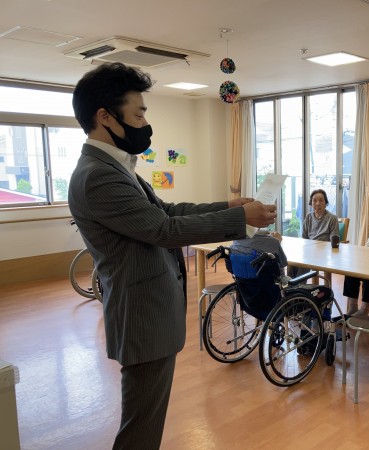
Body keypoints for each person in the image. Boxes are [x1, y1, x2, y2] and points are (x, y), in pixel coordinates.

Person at [68, 62, 276, 450]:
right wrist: (239, 219)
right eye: (139, 114)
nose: (146, 123)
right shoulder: (99, 175)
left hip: (150, 310)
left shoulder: (116, 167)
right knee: (141, 429)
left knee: (145, 421)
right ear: (104, 116)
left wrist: (229, 206)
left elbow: (166, 211)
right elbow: (163, 230)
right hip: (142, 315)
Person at [288, 188, 338, 278]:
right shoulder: (308, 217)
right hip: (309, 249)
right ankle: (290, 284)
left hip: (324, 252)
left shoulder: (332, 218)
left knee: (304, 261)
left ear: (326, 203)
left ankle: (298, 285)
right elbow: (304, 237)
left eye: (321, 200)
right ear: (311, 203)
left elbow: (334, 239)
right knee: (292, 261)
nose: (318, 203)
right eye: (314, 201)